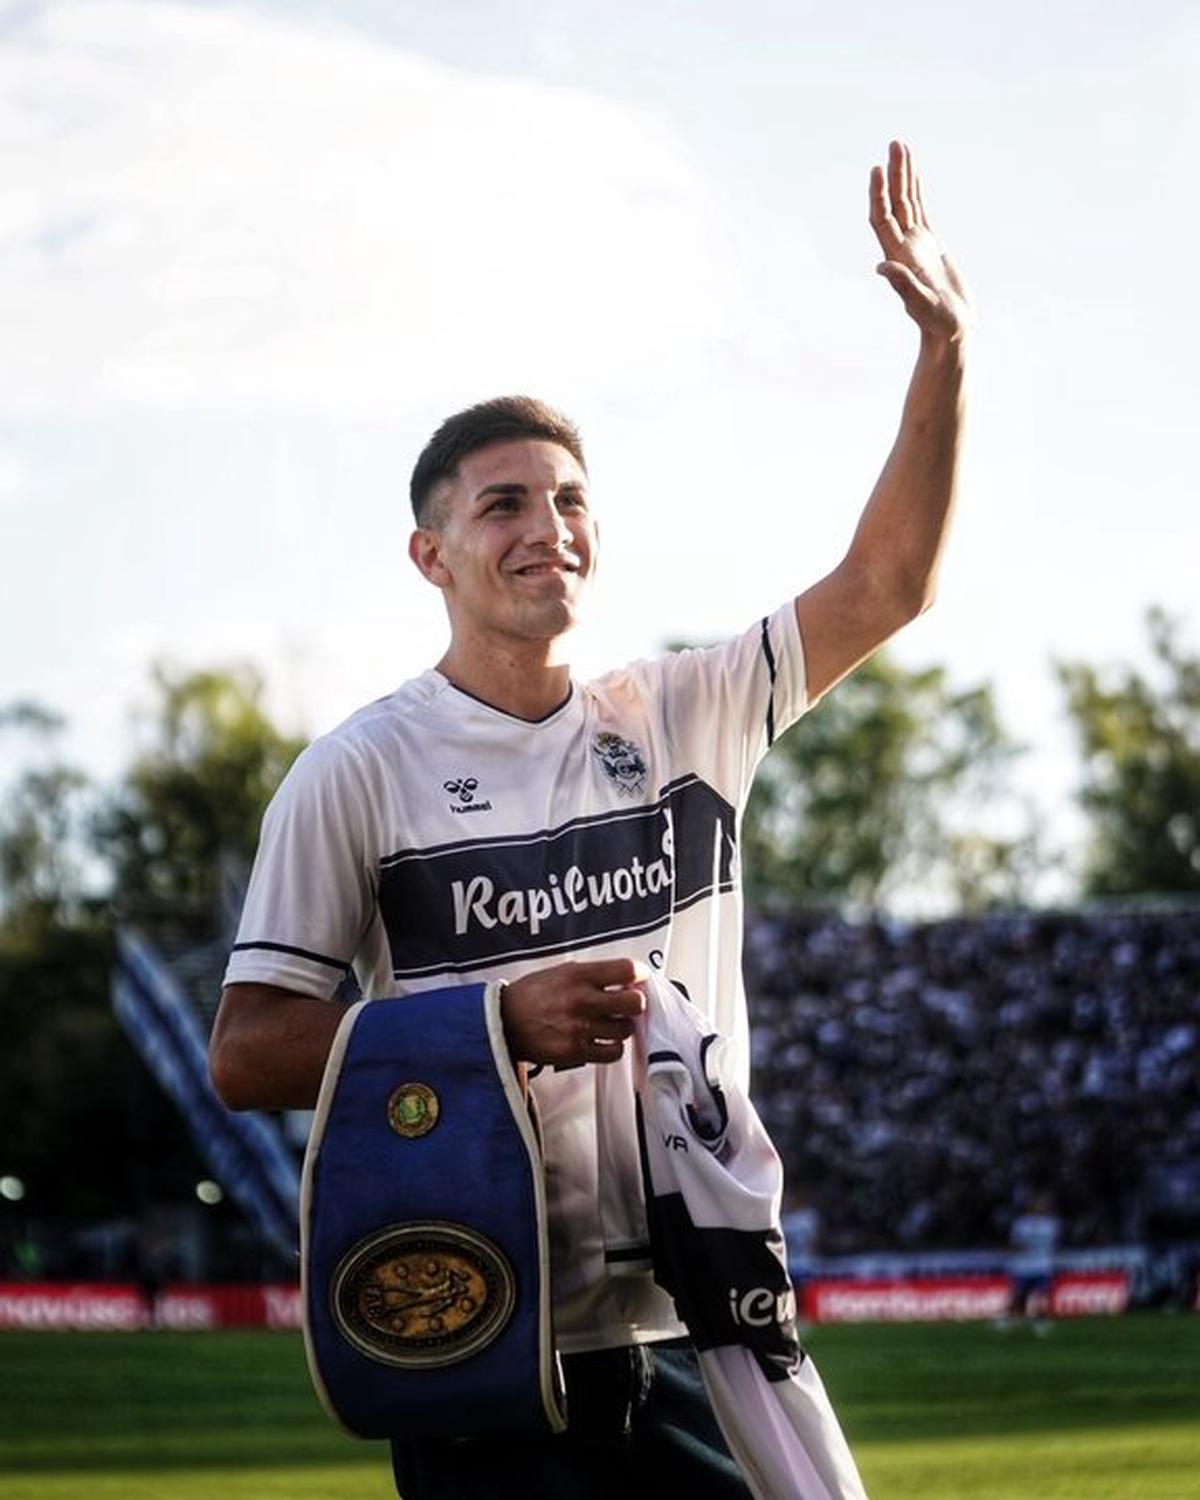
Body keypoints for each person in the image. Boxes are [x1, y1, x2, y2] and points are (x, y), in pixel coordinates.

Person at [209, 140, 971, 1498]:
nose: (545, 526)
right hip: (482, 1334)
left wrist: (945, 352)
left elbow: (889, 582)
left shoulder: (685, 713)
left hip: (694, 1325)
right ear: (431, 554)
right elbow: (248, 1051)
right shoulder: (355, 771)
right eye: (502, 504)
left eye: (569, 500)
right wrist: (499, 1023)